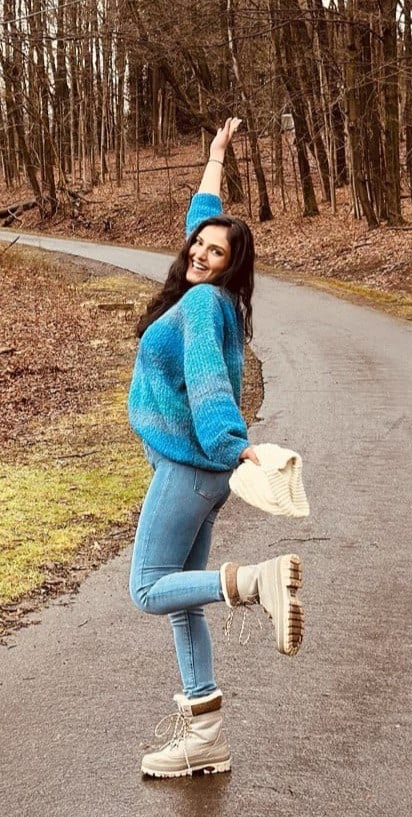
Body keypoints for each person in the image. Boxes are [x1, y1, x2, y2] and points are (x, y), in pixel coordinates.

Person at [127, 117, 303, 779]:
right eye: (199, 245)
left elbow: (208, 381)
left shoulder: (203, 307)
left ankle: (256, 582)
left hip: (191, 465)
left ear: (233, 267)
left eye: (216, 251)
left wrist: (233, 444)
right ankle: (206, 735)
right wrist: (216, 157)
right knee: (182, 600)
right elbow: (204, 215)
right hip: (202, 473)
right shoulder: (212, 294)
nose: (201, 253)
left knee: (148, 588)